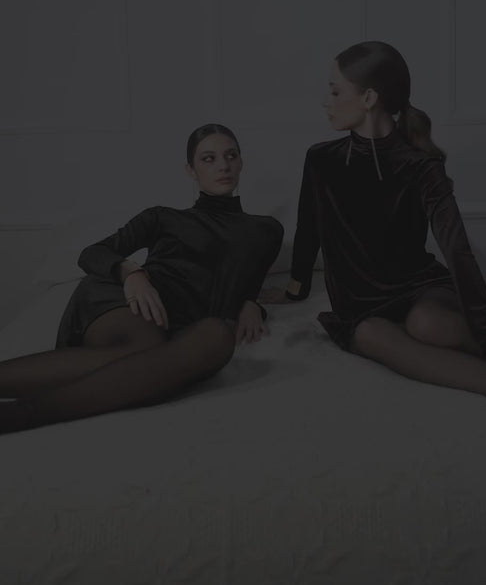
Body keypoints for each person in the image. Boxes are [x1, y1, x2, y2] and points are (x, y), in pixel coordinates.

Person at [260, 40, 486, 417]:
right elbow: (309, 229)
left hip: (421, 289)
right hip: (360, 308)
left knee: (428, 324)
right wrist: (295, 290)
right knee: (371, 333)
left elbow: (457, 249)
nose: (326, 101)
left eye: (335, 91)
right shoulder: (321, 159)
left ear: (368, 98)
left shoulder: (421, 166)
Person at [0, 124, 283, 434]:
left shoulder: (267, 229)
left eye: (230, 156)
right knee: (147, 346)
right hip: (126, 300)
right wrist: (132, 273)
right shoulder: (163, 217)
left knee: (217, 335)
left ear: (241, 162)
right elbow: (92, 253)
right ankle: (19, 416)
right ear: (191, 170)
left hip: (181, 326)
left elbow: (246, 277)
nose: (223, 166)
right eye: (208, 158)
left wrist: (250, 303)